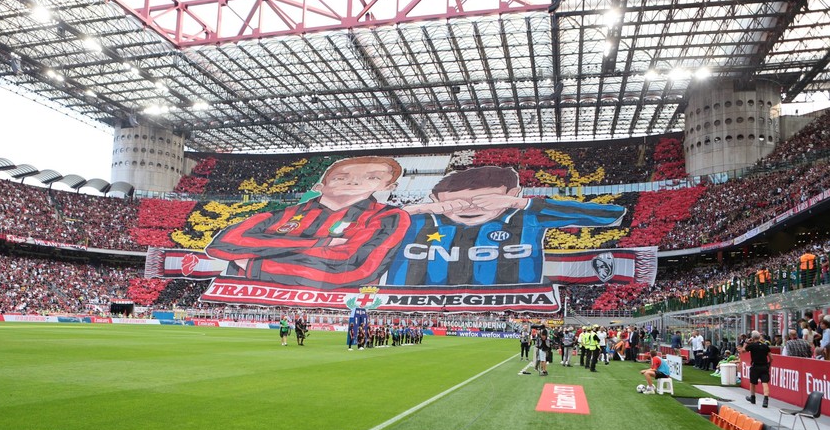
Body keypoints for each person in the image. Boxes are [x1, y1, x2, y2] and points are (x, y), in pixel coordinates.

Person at [386, 166, 625, 286]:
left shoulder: (527, 216)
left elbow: (610, 214)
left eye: (483, 200)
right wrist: (414, 209)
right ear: (437, 200)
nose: (470, 208)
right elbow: (356, 230)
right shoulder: (414, 221)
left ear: (512, 193)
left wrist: (521, 204)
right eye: (458, 203)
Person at [206, 156, 409, 289]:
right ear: (319, 185)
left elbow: (352, 266)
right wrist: (319, 244)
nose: (353, 181)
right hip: (245, 296)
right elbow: (223, 245)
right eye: (341, 177)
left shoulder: (388, 217)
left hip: (336, 303)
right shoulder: (280, 214)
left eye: (372, 177)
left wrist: (255, 263)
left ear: (388, 187)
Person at [738, 330, 772, 408]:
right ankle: (765, 399)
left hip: (755, 366)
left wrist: (746, 343)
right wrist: (769, 364)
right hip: (764, 366)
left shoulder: (752, 346)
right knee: (765, 383)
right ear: (759, 337)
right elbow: (771, 357)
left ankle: (753, 398)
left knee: (752, 382)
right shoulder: (765, 346)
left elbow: (742, 351)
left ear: (752, 338)